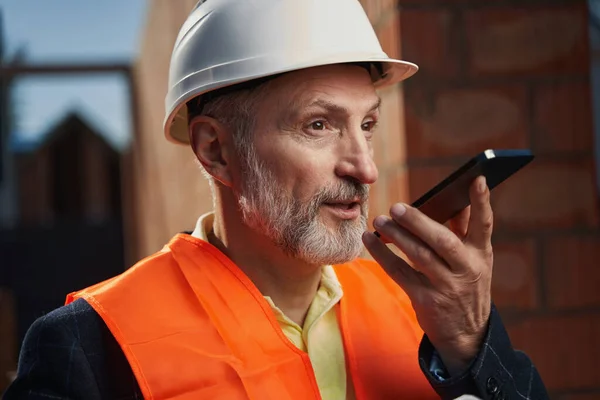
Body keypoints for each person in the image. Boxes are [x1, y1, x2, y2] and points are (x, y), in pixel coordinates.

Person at [4, 0, 549, 399]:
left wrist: (474, 349)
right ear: (216, 151)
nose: (365, 167)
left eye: (367, 124)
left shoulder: (426, 312)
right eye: (318, 125)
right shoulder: (91, 346)